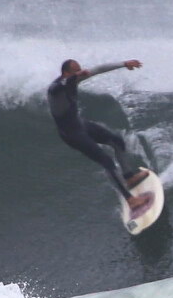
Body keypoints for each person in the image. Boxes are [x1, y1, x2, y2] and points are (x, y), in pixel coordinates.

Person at [48, 58, 153, 214]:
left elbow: (98, 69)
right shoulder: (55, 88)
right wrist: (76, 76)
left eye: (79, 69)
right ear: (66, 73)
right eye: (75, 71)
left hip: (80, 125)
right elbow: (57, 86)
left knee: (117, 141)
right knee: (107, 161)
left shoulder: (75, 79)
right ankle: (130, 200)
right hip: (71, 134)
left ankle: (129, 177)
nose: (80, 73)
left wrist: (124, 64)